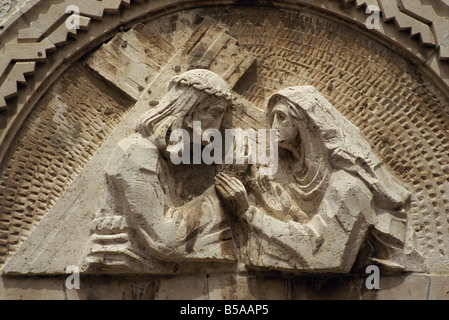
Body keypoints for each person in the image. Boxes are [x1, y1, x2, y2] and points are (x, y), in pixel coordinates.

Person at [215, 85, 416, 272]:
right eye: (272, 118)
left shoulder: (350, 186)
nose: (273, 125)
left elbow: (323, 254)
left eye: (282, 117)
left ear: (306, 124)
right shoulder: (289, 176)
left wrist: (249, 213)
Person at [84, 69, 235, 271]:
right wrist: (221, 194)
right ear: (189, 111)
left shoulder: (168, 157)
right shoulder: (134, 152)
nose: (218, 127)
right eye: (215, 113)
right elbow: (166, 239)